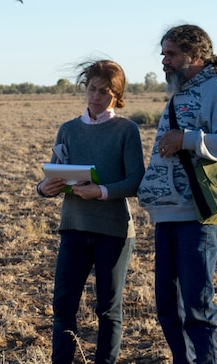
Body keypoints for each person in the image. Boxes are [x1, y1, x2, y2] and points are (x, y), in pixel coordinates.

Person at [137, 24, 217, 364]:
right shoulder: (180, 92)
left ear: (194, 54)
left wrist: (186, 139)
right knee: (169, 309)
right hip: (167, 213)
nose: (164, 60)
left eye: (170, 54)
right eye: (163, 53)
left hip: (198, 215)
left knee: (197, 309)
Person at [35, 59, 145, 364]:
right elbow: (53, 174)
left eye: (105, 92)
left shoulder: (127, 130)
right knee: (63, 307)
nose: (96, 97)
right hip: (73, 227)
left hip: (114, 232)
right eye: (92, 89)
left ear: (118, 96)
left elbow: (136, 180)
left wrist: (102, 191)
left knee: (108, 309)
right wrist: (43, 189)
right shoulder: (68, 130)